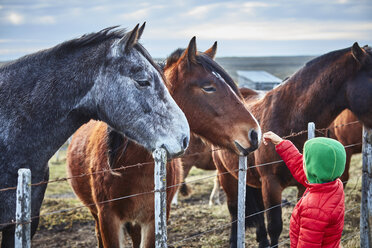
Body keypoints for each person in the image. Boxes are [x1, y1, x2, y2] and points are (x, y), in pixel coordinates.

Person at [263, 131, 346, 248]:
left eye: (306, 162)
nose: (302, 163)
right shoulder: (333, 185)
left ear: (314, 170)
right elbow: (299, 166)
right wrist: (281, 143)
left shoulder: (314, 210)